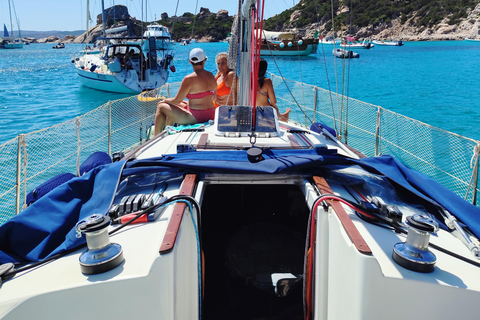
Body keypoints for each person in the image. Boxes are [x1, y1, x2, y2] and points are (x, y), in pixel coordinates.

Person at [154, 48, 217, 135]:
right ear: (204, 61)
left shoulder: (189, 79)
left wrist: (164, 100)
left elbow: (176, 100)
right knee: (180, 104)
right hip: (211, 114)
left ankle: (156, 137)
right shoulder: (211, 75)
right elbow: (214, 97)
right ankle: (167, 131)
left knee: (161, 106)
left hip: (196, 118)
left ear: (190, 61)